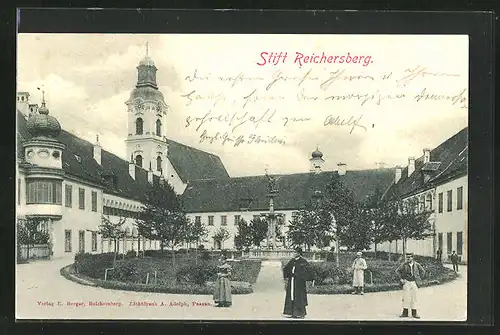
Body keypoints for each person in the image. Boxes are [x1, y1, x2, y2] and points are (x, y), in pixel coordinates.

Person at [283, 247, 313, 319]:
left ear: (299, 253)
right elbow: (286, 268)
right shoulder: (292, 261)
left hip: (299, 282)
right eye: (294, 252)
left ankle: (300, 313)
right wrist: (287, 275)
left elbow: (309, 270)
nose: (294, 253)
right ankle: (292, 312)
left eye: (295, 252)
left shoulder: (303, 261)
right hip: (292, 281)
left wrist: (302, 276)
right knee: (292, 296)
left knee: (299, 297)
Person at [395, 253, 426, 319]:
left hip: (414, 283)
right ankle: (405, 313)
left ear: (412, 258)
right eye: (407, 257)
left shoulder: (417, 265)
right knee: (406, 297)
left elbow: (423, 272)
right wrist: (401, 279)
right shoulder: (404, 265)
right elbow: (397, 271)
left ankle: (414, 313)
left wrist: (418, 278)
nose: (408, 259)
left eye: (409, 257)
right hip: (406, 282)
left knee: (414, 298)